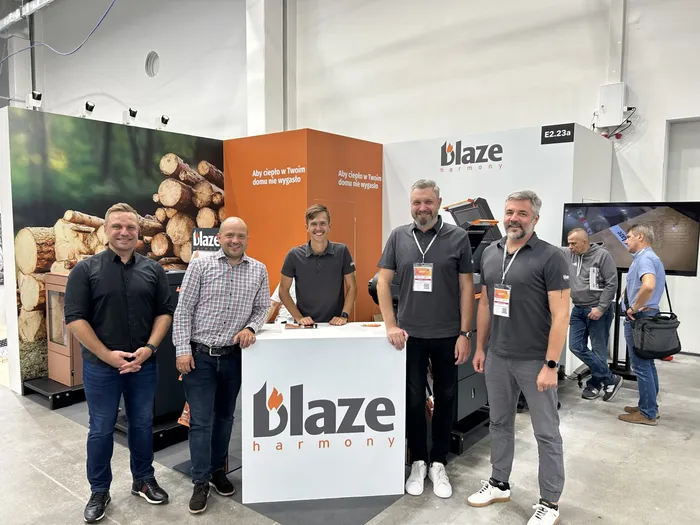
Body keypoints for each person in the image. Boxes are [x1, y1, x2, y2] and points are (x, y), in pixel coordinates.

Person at [64, 203, 174, 523]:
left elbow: (164, 313)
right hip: (101, 368)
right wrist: (107, 355)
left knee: (141, 424)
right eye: (117, 226)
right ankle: (99, 490)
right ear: (106, 230)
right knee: (100, 429)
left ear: (139, 232)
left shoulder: (153, 270)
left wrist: (149, 349)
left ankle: (143, 479)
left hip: (143, 365)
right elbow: (75, 319)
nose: (124, 232)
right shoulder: (85, 270)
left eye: (130, 227)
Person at [467, 190, 570, 525]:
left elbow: (561, 315)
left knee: (546, 432)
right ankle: (499, 483)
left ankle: (550, 502)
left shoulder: (551, 257)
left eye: (522, 213)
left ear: (535, 219)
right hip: (498, 356)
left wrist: (551, 364)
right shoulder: (491, 252)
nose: (514, 218)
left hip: (535, 360)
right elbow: (486, 303)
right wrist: (481, 347)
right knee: (499, 423)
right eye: (510, 212)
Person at [377, 179, 475, 499]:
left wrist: (465, 333)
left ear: (439, 203)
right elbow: (382, 282)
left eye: (428, 202)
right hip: (410, 337)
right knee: (413, 400)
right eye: (417, 202)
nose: (422, 208)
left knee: (446, 399)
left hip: (447, 335)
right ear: (411, 205)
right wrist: (390, 325)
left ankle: (438, 462)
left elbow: (466, 288)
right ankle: (418, 460)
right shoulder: (398, 236)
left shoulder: (458, 237)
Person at [173, 217, 270, 514]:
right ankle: (200, 481)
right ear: (219, 238)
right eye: (229, 235)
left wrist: (251, 328)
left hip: (233, 357)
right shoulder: (200, 266)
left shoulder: (258, 270)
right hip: (199, 356)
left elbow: (262, 307)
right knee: (201, 422)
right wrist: (182, 350)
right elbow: (183, 309)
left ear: (247, 239)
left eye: (240, 235)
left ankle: (217, 471)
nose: (235, 240)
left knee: (226, 418)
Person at [565, 228, 623, 400]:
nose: (570, 247)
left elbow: (612, 283)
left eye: (573, 243)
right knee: (575, 346)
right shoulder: (569, 254)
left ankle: (595, 384)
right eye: (568, 243)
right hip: (578, 309)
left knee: (598, 350)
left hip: (597, 309)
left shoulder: (602, 256)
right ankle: (610, 378)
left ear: (585, 242)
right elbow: (548, 249)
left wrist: (601, 308)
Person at [618, 223, 666, 426]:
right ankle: (649, 406)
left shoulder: (645, 258)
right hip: (646, 317)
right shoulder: (649, 257)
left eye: (628, 236)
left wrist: (634, 308)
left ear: (640, 237)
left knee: (641, 366)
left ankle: (647, 413)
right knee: (647, 364)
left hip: (640, 319)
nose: (626, 240)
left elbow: (648, 286)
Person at [279, 204, 357, 325]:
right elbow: (283, 290)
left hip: (335, 324)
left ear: (329, 226)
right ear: (307, 227)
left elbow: (352, 286)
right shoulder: (294, 255)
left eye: (323, 223)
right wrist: (299, 318)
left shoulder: (342, 251)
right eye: (314, 224)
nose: (318, 228)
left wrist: (344, 315)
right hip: (305, 326)